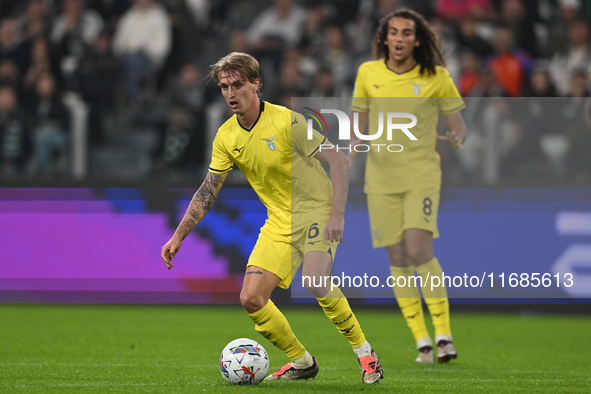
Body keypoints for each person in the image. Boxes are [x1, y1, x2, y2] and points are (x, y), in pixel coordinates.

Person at [161, 52, 383, 384]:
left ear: (256, 84)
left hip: (317, 213)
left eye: (238, 85)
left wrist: (337, 215)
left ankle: (366, 355)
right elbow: (208, 190)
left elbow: (337, 161)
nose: (231, 94)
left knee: (315, 280)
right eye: (224, 87)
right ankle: (302, 362)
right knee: (251, 298)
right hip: (279, 222)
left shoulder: (286, 122)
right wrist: (178, 237)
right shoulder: (226, 136)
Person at [349, 10, 467, 364]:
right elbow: (358, 127)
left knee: (418, 249)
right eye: (394, 32)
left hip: (421, 175)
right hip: (381, 179)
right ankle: (422, 341)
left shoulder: (437, 76)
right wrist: (346, 158)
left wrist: (455, 137)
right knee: (397, 257)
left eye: (407, 33)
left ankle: (443, 334)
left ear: (417, 40)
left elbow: (458, 125)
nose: (399, 38)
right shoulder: (368, 74)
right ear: (385, 39)